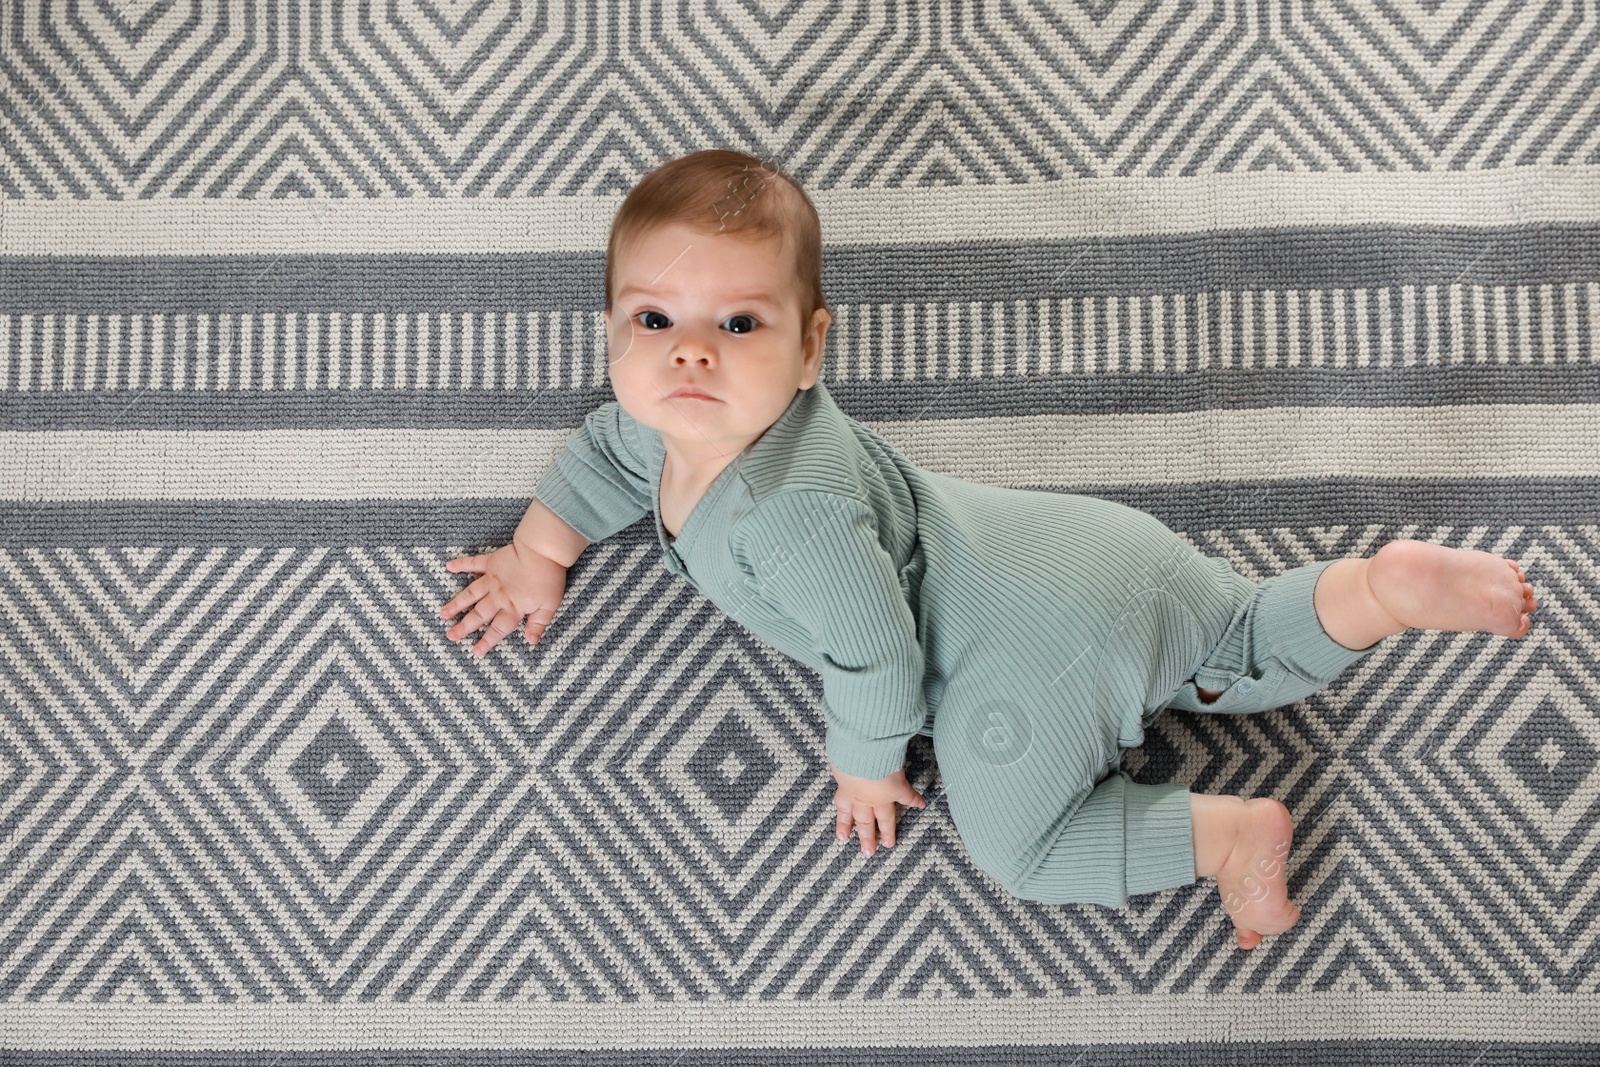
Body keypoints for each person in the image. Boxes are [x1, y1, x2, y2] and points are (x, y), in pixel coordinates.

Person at [437, 149, 1539, 950]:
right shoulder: (662, 418)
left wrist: (863, 762)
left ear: (813, 344)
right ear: (613, 328)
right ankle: (1377, 590)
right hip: (1086, 547)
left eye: (738, 326)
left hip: (1018, 649)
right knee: (1237, 640)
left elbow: (874, 654)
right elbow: (608, 455)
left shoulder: (791, 512)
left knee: (1022, 850)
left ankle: (1225, 834)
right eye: (651, 321)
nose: (688, 357)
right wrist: (541, 548)